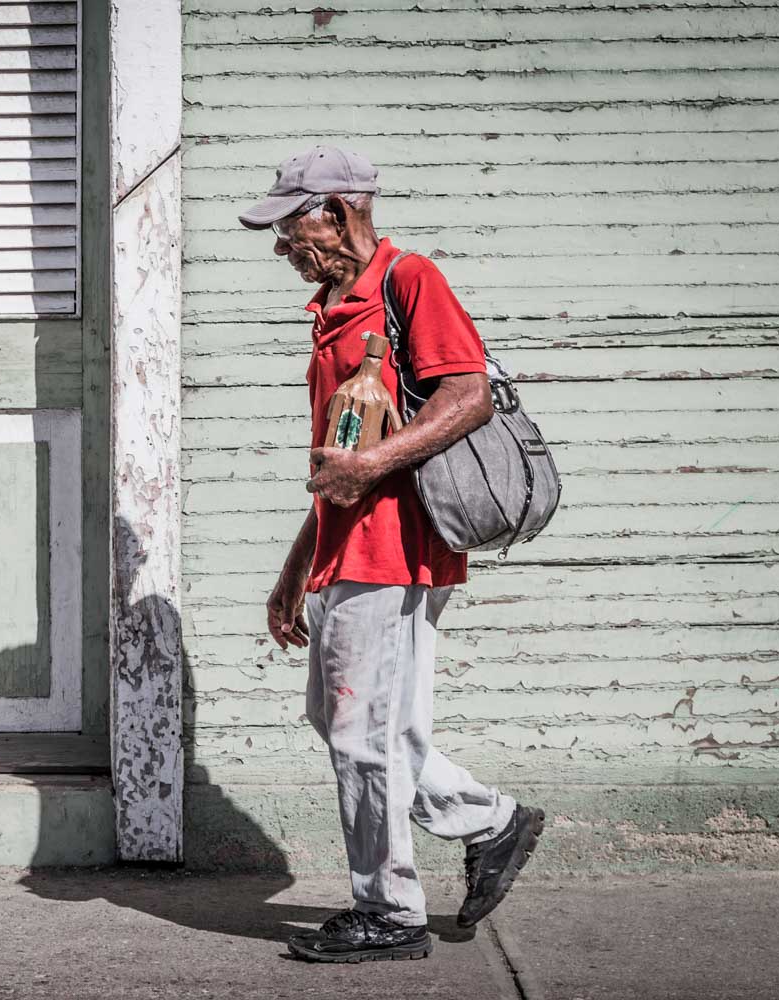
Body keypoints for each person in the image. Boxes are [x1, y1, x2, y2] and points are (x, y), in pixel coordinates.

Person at [239, 146, 545, 964]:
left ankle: (389, 910)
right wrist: (295, 565)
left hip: (396, 552)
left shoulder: (409, 280)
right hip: (349, 550)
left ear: (337, 211)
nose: (282, 246)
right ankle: (490, 819)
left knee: (360, 732)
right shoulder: (333, 307)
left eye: (289, 226)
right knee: (365, 725)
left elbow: (469, 393)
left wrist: (371, 467)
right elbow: (337, 462)